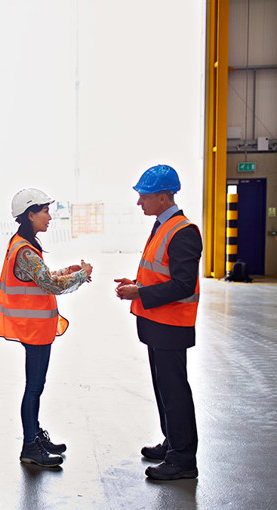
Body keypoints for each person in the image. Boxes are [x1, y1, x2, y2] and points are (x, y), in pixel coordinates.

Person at [0, 188, 92, 468]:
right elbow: (51, 285)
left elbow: (42, 278)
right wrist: (83, 274)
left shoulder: (24, 244)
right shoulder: (25, 250)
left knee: (36, 386)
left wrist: (70, 270)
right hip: (34, 329)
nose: (50, 216)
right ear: (30, 214)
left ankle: (35, 435)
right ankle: (30, 446)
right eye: (45, 211)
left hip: (35, 328)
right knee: (34, 387)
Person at [114, 164, 201, 481]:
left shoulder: (183, 232)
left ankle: (183, 460)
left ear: (164, 197)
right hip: (157, 323)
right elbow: (161, 272)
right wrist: (137, 283)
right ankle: (172, 443)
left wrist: (140, 292)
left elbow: (183, 285)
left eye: (145, 197)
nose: (140, 203)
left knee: (175, 392)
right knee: (165, 390)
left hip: (171, 326)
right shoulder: (163, 225)